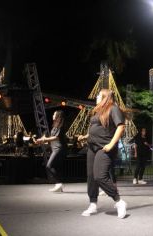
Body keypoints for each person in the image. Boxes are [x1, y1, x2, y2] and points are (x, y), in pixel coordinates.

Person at [78, 89, 127, 218]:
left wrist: (111, 144)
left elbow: (121, 127)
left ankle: (119, 201)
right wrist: (86, 136)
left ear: (105, 97)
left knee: (99, 176)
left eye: (99, 95)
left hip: (104, 147)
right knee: (90, 177)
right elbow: (98, 128)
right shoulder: (98, 111)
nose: (97, 96)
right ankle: (93, 204)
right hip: (92, 147)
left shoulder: (113, 108)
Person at [36, 110, 67, 192]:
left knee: (49, 165)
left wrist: (44, 139)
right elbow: (51, 138)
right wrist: (42, 140)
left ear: (58, 116)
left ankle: (59, 183)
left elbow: (56, 137)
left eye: (54, 114)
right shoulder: (55, 126)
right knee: (55, 167)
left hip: (59, 149)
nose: (53, 115)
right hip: (54, 149)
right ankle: (58, 185)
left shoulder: (61, 125)